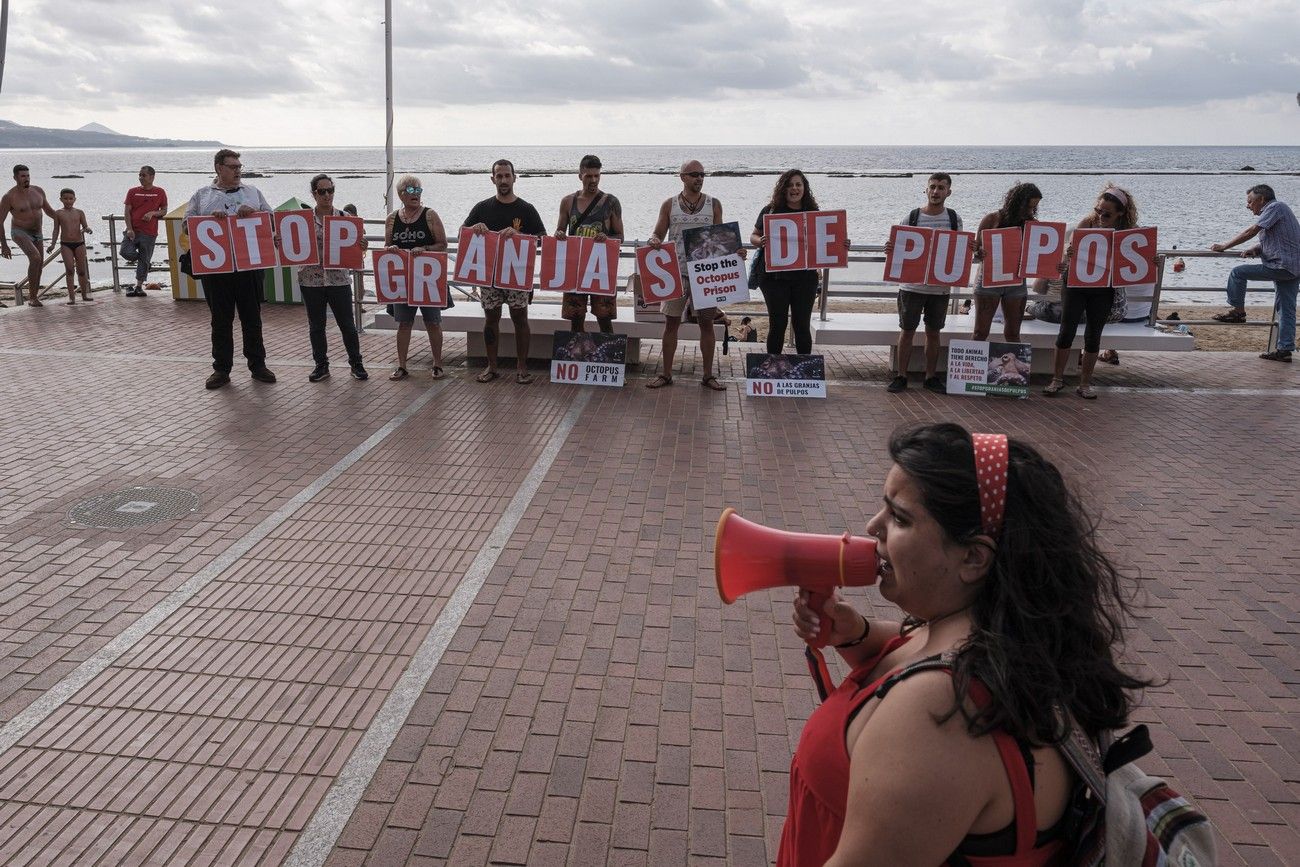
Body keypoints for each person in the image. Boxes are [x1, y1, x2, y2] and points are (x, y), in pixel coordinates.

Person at [781, 422, 1150, 866]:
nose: (872, 526)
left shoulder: (934, 715)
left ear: (974, 558)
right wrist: (857, 633)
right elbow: (909, 649)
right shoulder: (1013, 641)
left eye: (899, 518)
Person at [184, 149, 276, 390]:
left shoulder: (253, 192)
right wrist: (209, 220)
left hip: (248, 268)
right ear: (218, 168)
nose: (238, 170)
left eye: (239, 166)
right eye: (233, 166)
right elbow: (187, 225)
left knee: (252, 319)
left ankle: (258, 365)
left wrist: (254, 212)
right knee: (220, 321)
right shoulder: (202, 195)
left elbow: (272, 218)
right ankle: (221, 369)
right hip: (217, 270)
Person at [1044, 184, 1139, 399]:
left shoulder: (1125, 233)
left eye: (1107, 213)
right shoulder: (1087, 222)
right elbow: (1068, 256)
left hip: (1103, 287)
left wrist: (1149, 261)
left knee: (1094, 335)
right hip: (1076, 284)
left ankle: (1085, 384)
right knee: (1066, 331)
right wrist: (1068, 254)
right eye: (1098, 210)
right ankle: (1056, 379)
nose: (1100, 216)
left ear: (1120, 214)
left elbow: (1135, 261)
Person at [645, 159, 728, 390]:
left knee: (707, 324)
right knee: (671, 324)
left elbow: (720, 237)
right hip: (676, 272)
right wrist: (653, 240)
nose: (699, 178)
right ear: (682, 177)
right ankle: (666, 373)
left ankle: (708, 375)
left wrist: (735, 251)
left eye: (702, 174)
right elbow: (658, 233)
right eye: (693, 174)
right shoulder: (669, 205)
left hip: (705, 273)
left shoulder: (714, 204)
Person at [464, 159, 547, 384]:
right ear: (493, 179)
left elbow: (542, 238)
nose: (503, 180)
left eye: (507, 175)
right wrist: (475, 229)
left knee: (520, 318)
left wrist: (521, 237)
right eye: (499, 176)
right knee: (491, 319)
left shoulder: (526, 209)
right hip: (489, 277)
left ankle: (522, 367)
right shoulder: (482, 208)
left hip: (517, 276)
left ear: (514, 177)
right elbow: (464, 233)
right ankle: (492, 366)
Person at [883, 172, 962, 393]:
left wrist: (972, 250)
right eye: (933, 187)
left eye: (941, 188)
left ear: (948, 192)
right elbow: (897, 247)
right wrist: (890, 248)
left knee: (933, 332)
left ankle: (930, 377)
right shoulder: (912, 217)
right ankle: (901, 376)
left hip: (940, 288)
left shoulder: (954, 219)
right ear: (926, 189)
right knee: (907, 330)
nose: (936, 191)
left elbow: (959, 251)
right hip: (911, 286)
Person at [1210, 183, 1300, 363]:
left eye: (1250, 201)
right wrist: (1256, 249)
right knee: (1286, 309)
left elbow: (1251, 230)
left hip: (1281, 267)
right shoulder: (1280, 211)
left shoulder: (1275, 207)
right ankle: (1284, 350)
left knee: (1238, 273)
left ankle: (1238, 311)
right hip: (1293, 268)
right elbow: (1280, 240)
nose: (1248, 205)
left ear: (1261, 199)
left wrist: (1224, 246)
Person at [751, 169, 830, 358]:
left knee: (802, 325)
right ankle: (774, 367)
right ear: (783, 188)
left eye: (798, 184)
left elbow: (824, 241)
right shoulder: (770, 210)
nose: (794, 188)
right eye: (790, 184)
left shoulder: (812, 213)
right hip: (773, 278)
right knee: (777, 324)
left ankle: (804, 369)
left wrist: (841, 244)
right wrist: (760, 240)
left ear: (804, 188)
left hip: (804, 278)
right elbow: (753, 235)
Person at [300, 174, 368, 382]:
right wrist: (279, 240)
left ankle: (356, 363)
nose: (327, 195)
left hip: (338, 280)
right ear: (314, 194)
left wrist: (362, 246)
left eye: (330, 190)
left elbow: (358, 244)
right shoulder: (302, 221)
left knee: (347, 324)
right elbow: (289, 244)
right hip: (311, 280)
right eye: (322, 191)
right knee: (316, 326)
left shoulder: (345, 218)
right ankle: (321, 365)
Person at [384, 174, 449, 381]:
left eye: (418, 190)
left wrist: (425, 248)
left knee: (433, 322)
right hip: (404, 280)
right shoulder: (392, 219)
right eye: (411, 190)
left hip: (428, 278)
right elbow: (386, 246)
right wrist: (391, 249)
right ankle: (402, 365)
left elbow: (443, 244)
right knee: (404, 323)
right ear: (401, 194)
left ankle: (437, 364)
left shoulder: (430, 215)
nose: (416, 194)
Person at [554, 154, 624, 334]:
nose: (593, 180)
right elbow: (560, 231)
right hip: (575, 269)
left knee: (605, 319)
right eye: (589, 176)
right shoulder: (568, 202)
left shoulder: (611, 202)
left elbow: (620, 236)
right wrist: (559, 234)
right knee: (576, 320)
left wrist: (607, 238)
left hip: (601, 270)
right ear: (580, 176)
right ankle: (578, 358)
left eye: (597, 176)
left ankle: (607, 359)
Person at [971, 182, 1042, 343]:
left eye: (1034, 208)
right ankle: (975, 367)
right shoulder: (992, 219)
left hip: (1016, 283)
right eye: (1028, 207)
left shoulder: (1032, 225)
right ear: (1017, 202)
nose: (1030, 211)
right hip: (989, 281)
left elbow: (1040, 256)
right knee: (980, 333)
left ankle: (1011, 368)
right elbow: (976, 248)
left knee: (1013, 334)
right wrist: (979, 252)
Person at [0, 164, 59, 307]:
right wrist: (4, 245)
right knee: (35, 257)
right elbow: (0, 221)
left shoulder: (38, 191)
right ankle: (32, 298)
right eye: (23, 176)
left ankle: (33, 297)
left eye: (28, 175)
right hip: (19, 232)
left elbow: (50, 211)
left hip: (37, 233)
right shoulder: (9, 197)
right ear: (15, 178)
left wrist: (67, 217)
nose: (26, 178)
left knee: (39, 265)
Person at [122, 166, 168, 296]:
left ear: (152, 177)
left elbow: (164, 210)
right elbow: (127, 211)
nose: (141, 178)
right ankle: (145, 262)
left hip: (149, 232)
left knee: (144, 259)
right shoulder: (132, 192)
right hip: (133, 230)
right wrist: (129, 228)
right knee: (125, 252)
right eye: (140, 175)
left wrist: (153, 213)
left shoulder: (160, 192)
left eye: (144, 175)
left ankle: (138, 286)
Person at [47, 188, 94, 304]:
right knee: (69, 270)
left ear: (74, 199)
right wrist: (52, 244)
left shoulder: (79, 212)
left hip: (79, 243)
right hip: (65, 244)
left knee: (82, 271)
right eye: (66, 199)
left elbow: (85, 226)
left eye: (70, 199)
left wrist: (88, 229)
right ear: (61, 199)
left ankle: (84, 295)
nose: (68, 201)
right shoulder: (58, 213)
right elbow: (56, 230)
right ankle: (71, 297)